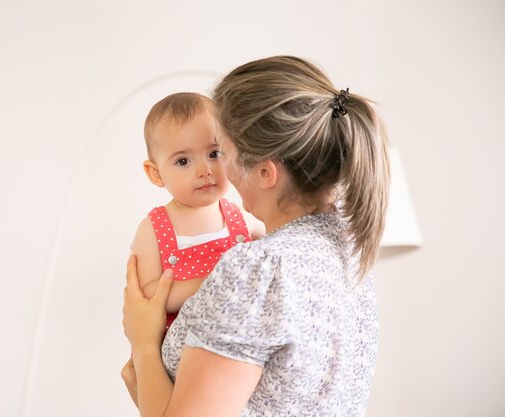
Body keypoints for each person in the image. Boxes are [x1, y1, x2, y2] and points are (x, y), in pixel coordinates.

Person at [122, 55, 390, 417]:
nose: (215, 170)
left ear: (265, 173)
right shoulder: (347, 246)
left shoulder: (260, 268)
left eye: (221, 152)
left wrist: (143, 347)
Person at [131, 92, 264, 334]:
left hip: (239, 337)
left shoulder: (242, 218)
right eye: (183, 161)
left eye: (214, 154)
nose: (205, 170)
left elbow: (272, 252)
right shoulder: (154, 228)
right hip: (181, 348)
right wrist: (209, 283)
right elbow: (147, 294)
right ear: (156, 173)